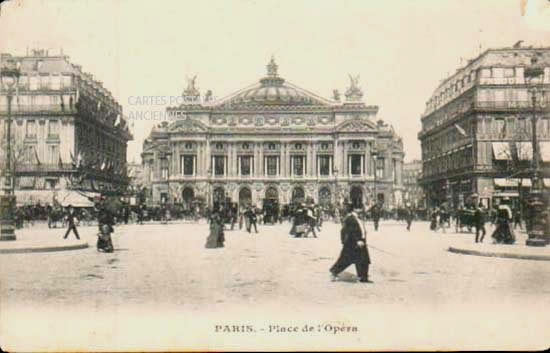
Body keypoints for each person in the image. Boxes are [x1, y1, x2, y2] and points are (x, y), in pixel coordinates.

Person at [330, 203, 372, 283]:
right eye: (360, 208)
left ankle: (363, 277)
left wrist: (363, 240)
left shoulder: (359, 218)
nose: (362, 210)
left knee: (364, 260)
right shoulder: (350, 218)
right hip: (352, 243)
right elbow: (350, 231)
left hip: (361, 242)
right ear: (355, 209)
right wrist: (357, 240)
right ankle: (334, 271)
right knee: (346, 260)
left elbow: (361, 229)